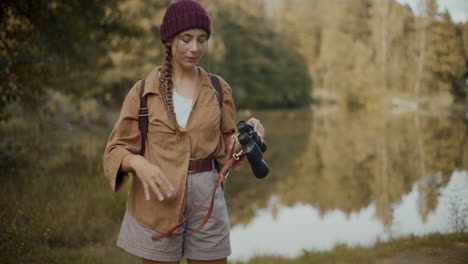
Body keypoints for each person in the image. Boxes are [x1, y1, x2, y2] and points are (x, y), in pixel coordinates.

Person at [102, 1, 265, 263]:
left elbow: (227, 147)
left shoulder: (218, 88)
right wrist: (138, 163)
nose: (195, 48)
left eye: (202, 40)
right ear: (169, 39)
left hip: (207, 199)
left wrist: (246, 139)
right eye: (186, 39)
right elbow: (114, 150)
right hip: (157, 200)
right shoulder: (143, 91)